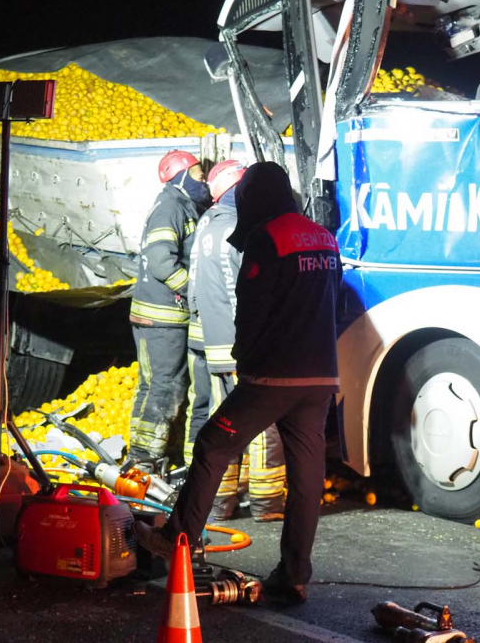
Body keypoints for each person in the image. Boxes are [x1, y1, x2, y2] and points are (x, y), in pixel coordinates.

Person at [135, 162, 341, 603]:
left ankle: (178, 541)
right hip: (321, 375)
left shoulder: (266, 239)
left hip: (272, 376)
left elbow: (251, 310)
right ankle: (294, 574)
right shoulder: (323, 237)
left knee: (212, 445)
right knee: (306, 475)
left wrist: (245, 361)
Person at [187, 159, 286, 522]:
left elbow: (196, 288)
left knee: (223, 423)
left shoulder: (206, 224)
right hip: (241, 344)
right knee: (263, 422)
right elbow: (251, 291)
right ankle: (266, 503)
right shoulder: (242, 228)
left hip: (214, 343)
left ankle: (219, 502)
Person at [127, 151, 210, 465]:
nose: (203, 182)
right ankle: (143, 460)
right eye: (199, 176)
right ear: (181, 176)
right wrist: (194, 290)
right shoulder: (172, 207)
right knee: (165, 387)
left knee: (156, 386)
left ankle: (146, 457)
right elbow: (162, 260)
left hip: (161, 318)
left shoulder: (179, 205)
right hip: (161, 318)